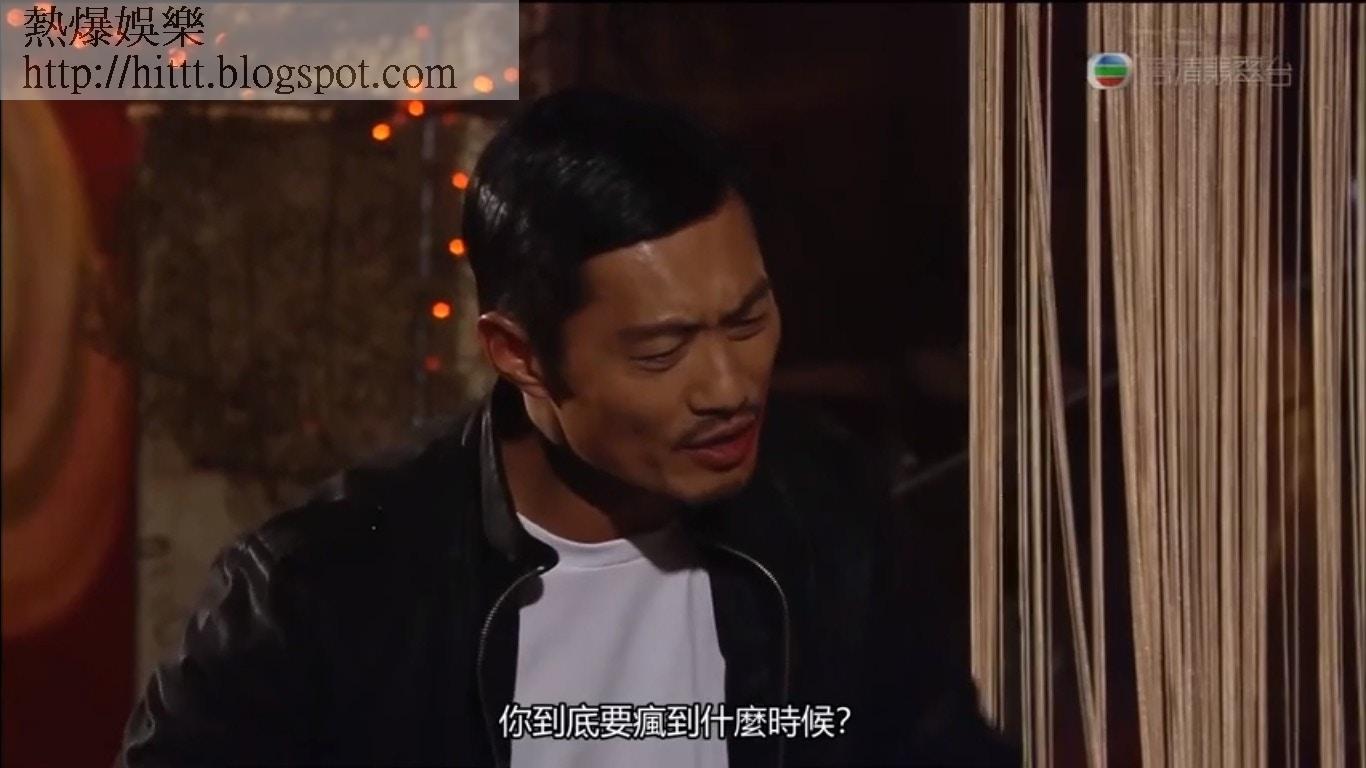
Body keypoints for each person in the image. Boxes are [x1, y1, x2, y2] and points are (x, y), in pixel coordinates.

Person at [118, 88, 1017, 768]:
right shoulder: (321, 592)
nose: (729, 387)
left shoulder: (827, 517)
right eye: (662, 349)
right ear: (519, 354)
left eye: (748, 321)